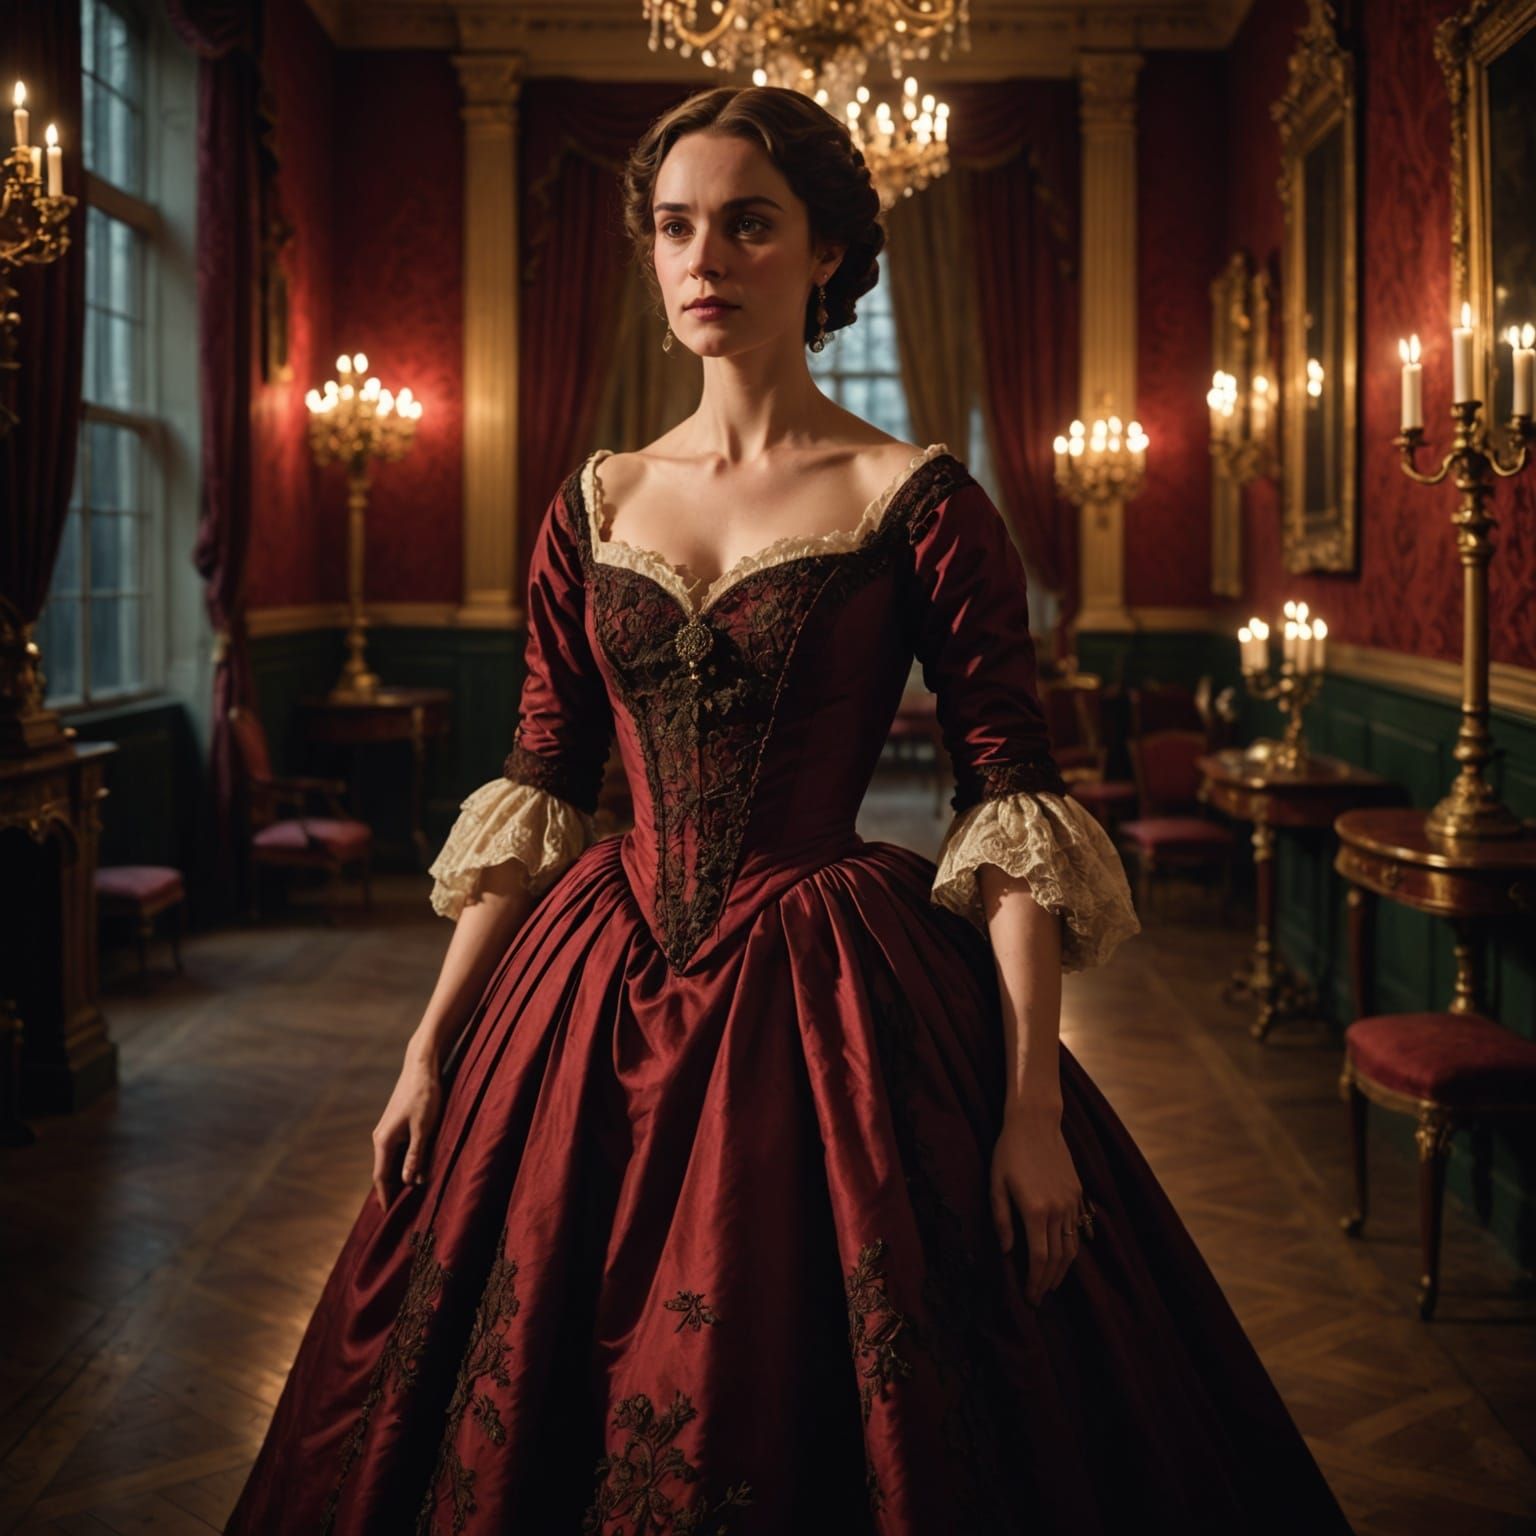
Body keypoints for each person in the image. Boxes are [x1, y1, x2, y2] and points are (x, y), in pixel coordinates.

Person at [226, 85, 1353, 1536]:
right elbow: (544, 782)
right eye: (675, 227)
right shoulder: (593, 501)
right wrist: (429, 1048)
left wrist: (1029, 1108)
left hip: (827, 993)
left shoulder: (916, 498)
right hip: (585, 985)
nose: (705, 260)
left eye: (747, 225)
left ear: (824, 252)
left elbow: (1007, 805)